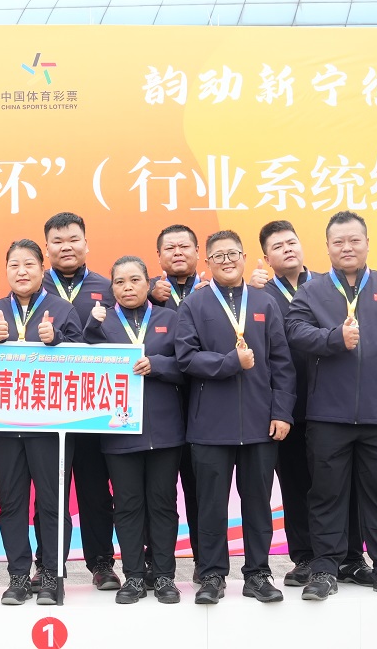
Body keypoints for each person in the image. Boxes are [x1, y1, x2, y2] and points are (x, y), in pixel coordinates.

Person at [255, 220, 377, 588]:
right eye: (339, 242)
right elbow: (292, 332)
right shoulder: (290, 292)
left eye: (354, 240)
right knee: (314, 491)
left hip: (369, 411)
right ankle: (317, 564)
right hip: (306, 410)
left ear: (367, 242)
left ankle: (370, 564)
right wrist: (334, 338)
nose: (347, 247)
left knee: (370, 493)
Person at [176, 231, 295, 605]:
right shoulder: (194, 305)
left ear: (244, 257)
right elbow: (186, 358)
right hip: (210, 426)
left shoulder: (264, 302)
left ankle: (258, 573)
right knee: (210, 506)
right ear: (207, 262)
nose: (226, 260)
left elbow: (282, 363)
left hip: (260, 425)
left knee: (258, 504)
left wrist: (282, 412)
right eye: (218, 255)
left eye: (232, 253)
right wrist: (231, 362)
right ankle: (212, 574)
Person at [0, 239, 82, 605]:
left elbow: (83, 362)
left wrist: (58, 341)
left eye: (29, 264)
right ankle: (18, 576)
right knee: (11, 503)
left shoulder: (63, 309)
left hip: (51, 428)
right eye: (14, 265)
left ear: (43, 269)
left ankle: (52, 574)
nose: (22, 271)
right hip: (6, 426)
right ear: (6, 271)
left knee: (53, 503)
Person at [85, 256, 185, 604]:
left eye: (135, 280)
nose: (127, 287)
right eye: (120, 282)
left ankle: (164, 575)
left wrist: (157, 365)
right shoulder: (101, 322)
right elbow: (84, 366)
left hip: (164, 429)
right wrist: (90, 329)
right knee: (127, 506)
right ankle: (134, 577)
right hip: (119, 431)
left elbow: (187, 364)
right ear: (111, 288)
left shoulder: (170, 318)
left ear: (148, 283)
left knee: (163, 504)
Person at [41, 211, 120, 591]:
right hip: (45, 407)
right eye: (57, 241)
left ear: (86, 243)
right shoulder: (34, 286)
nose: (66, 247)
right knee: (49, 495)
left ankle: (101, 563)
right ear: (47, 248)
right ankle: (47, 564)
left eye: (73, 239)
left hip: (93, 409)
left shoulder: (108, 287)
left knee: (95, 492)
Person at [146, 224, 206, 584]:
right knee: (157, 494)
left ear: (198, 252)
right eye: (170, 248)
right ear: (159, 256)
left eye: (185, 246)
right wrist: (152, 298)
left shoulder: (215, 290)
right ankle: (154, 564)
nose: (178, 252)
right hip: (161, 413)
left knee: (201, 492)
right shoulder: (144, 293)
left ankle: (205, 562)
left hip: (206, 410)